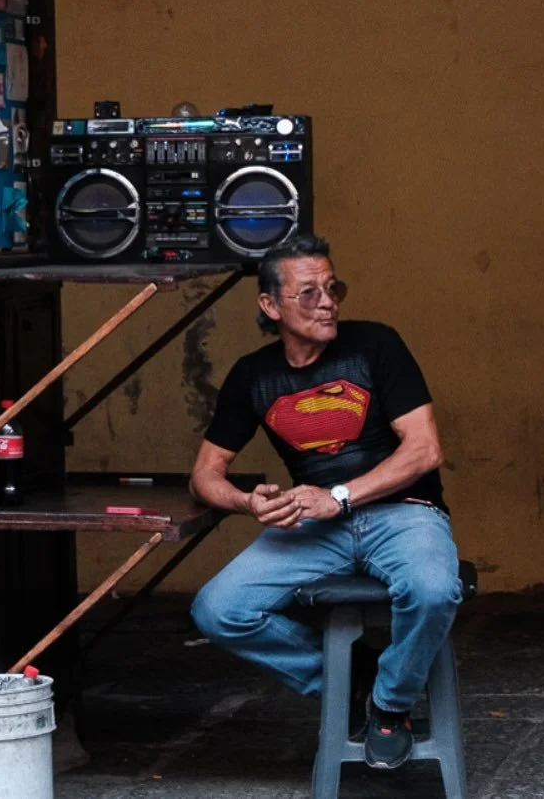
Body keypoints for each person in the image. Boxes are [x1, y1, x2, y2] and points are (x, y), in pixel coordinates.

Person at [190, 234, 461, 770]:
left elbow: (425, 450)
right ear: (271, 305)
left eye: (333, 288)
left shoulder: (375, 345)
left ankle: (390, 704)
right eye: (309, 293)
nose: (327, 302)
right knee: (218, 610)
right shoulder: (253, 376)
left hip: (404, 514)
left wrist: (339, 496)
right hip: (314, 526)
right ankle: (350, 680)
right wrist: (248, 502)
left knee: (432, 590)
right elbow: (203, 476)